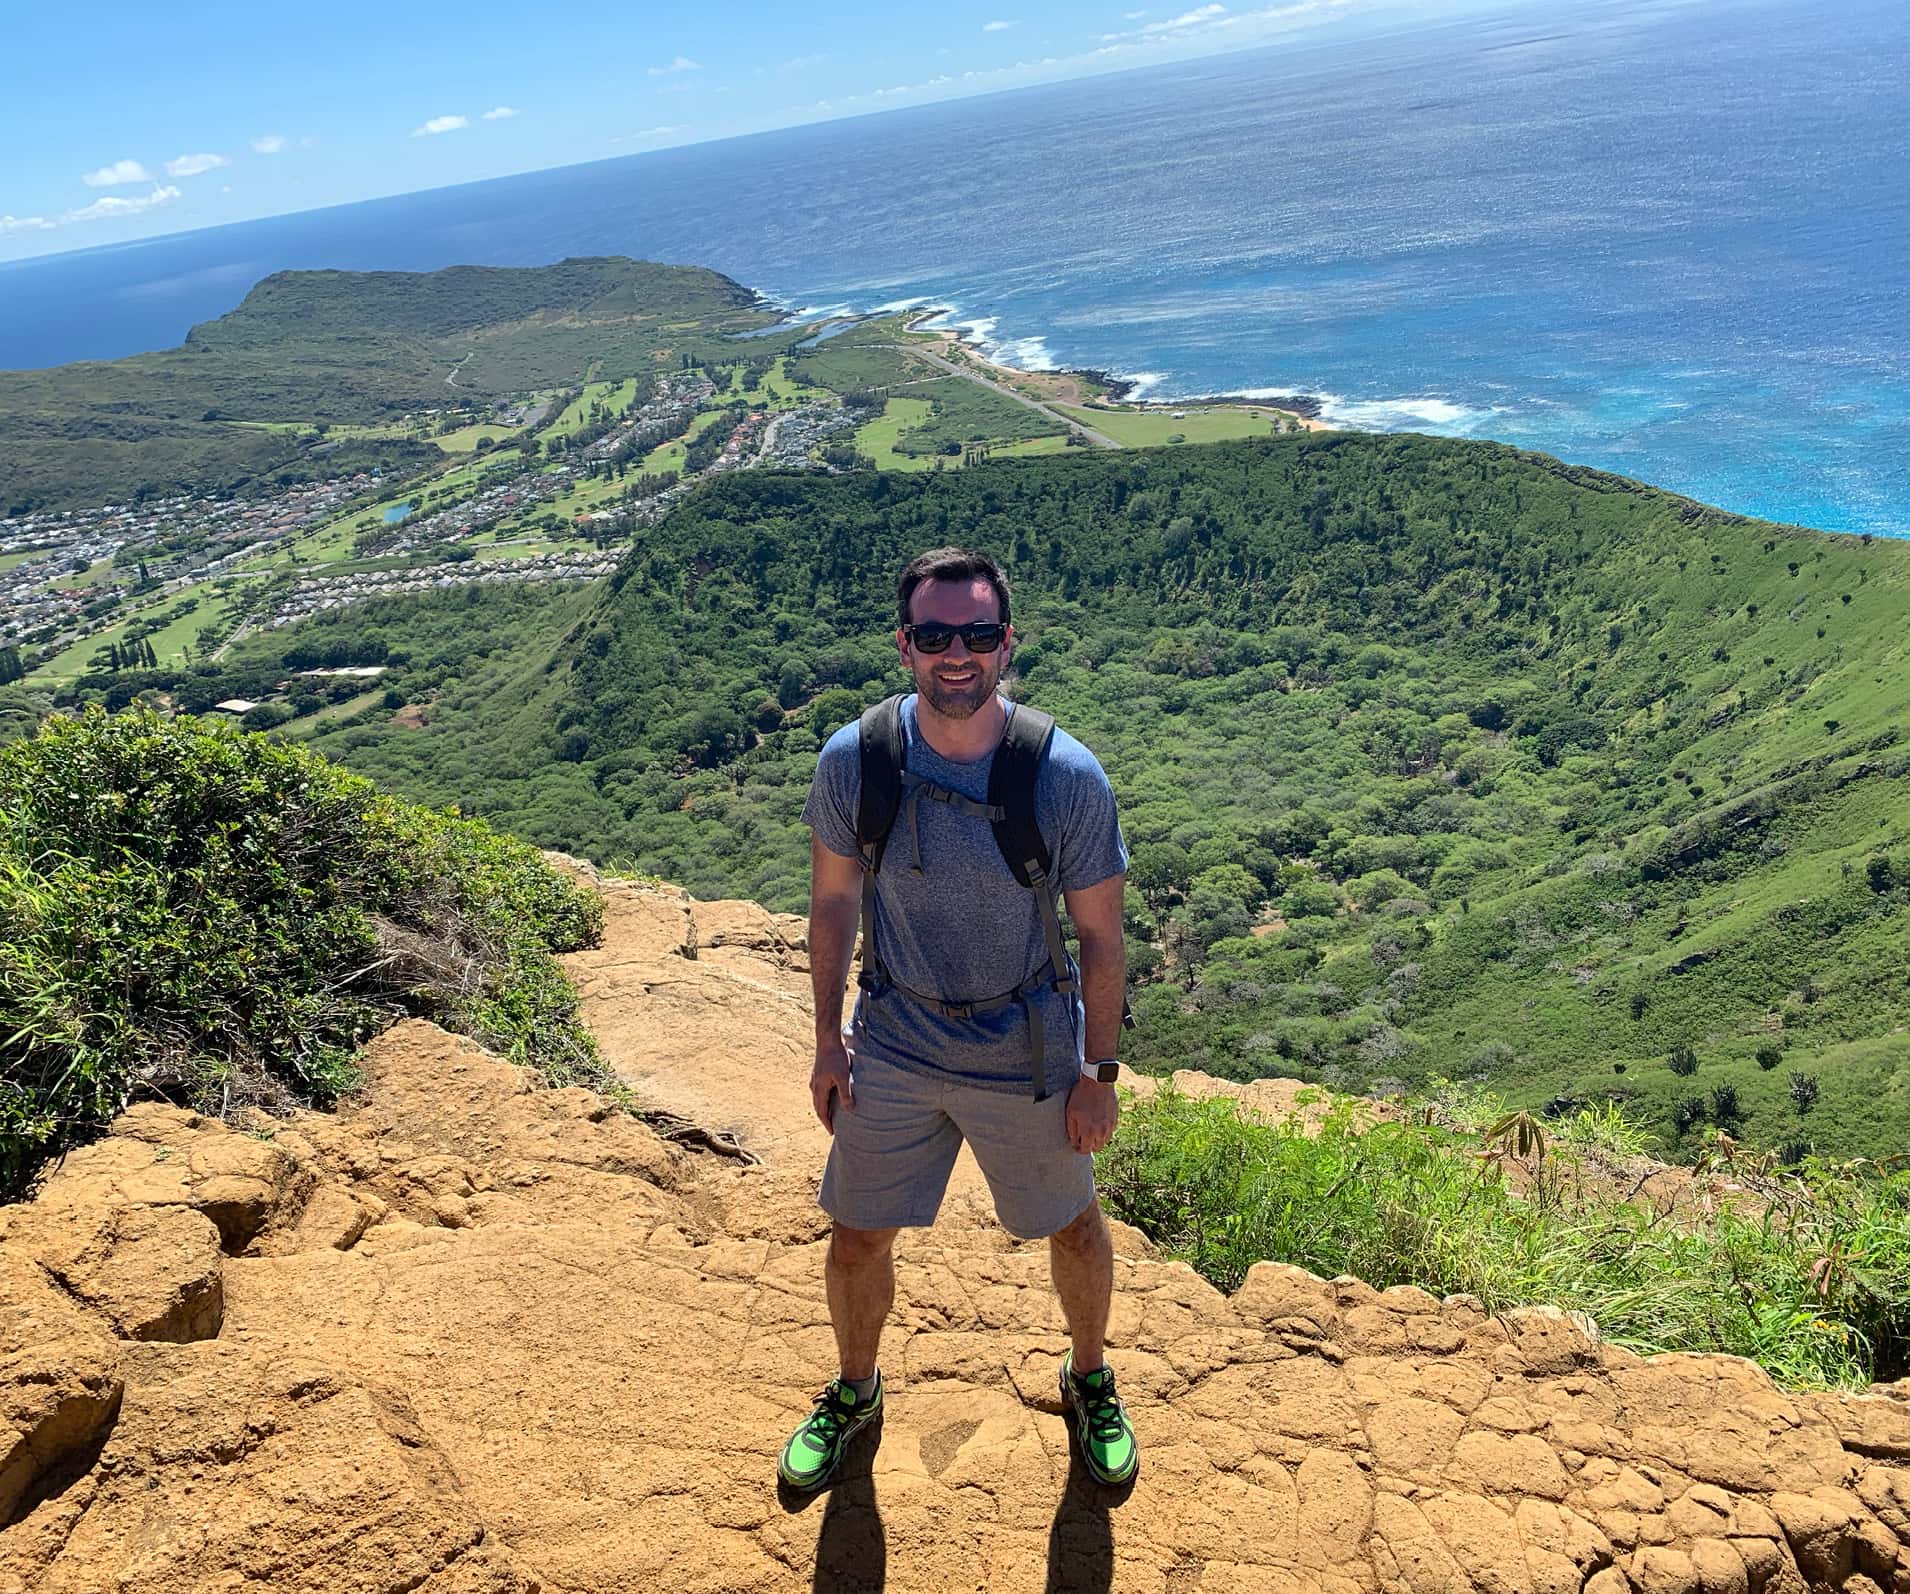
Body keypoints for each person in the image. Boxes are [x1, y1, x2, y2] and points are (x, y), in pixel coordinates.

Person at [778, 545, 1138, 1494]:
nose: (956, 653)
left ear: (1007, 642)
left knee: (1071, 1225)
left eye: (977, 634)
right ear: (904, 645)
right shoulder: (858, 761)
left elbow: (1102, 940)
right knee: (856, 1234)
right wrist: (827, 1039)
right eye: (935, 634)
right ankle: (857, 1389)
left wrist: (1098, 1075)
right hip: (895, 1036)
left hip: (1024, 1045)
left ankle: (1089, 1375)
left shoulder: (1064, 777)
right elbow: (831, 906)